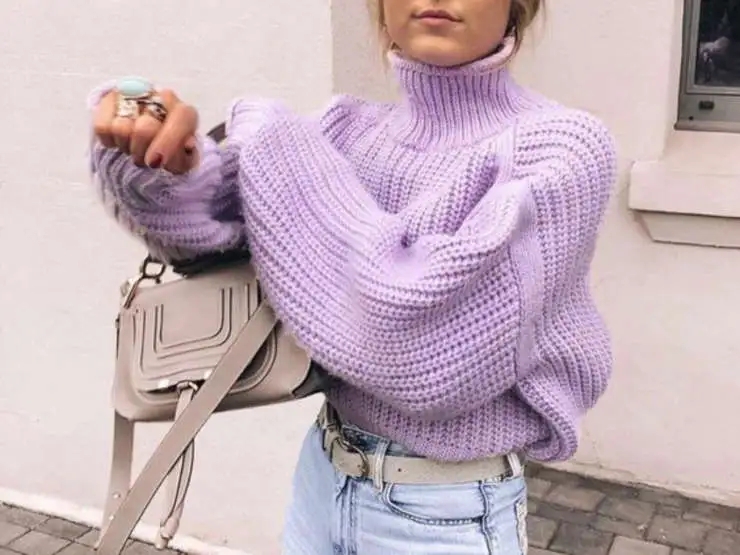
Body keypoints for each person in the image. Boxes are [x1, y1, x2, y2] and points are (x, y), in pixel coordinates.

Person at [88, 0, 617, 553]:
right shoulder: (344, 130)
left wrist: (275, 145)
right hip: (323, 475)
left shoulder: (562, 149)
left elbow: (431, 358)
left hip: (445, 512)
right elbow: (211, 237)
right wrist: (161, 163)